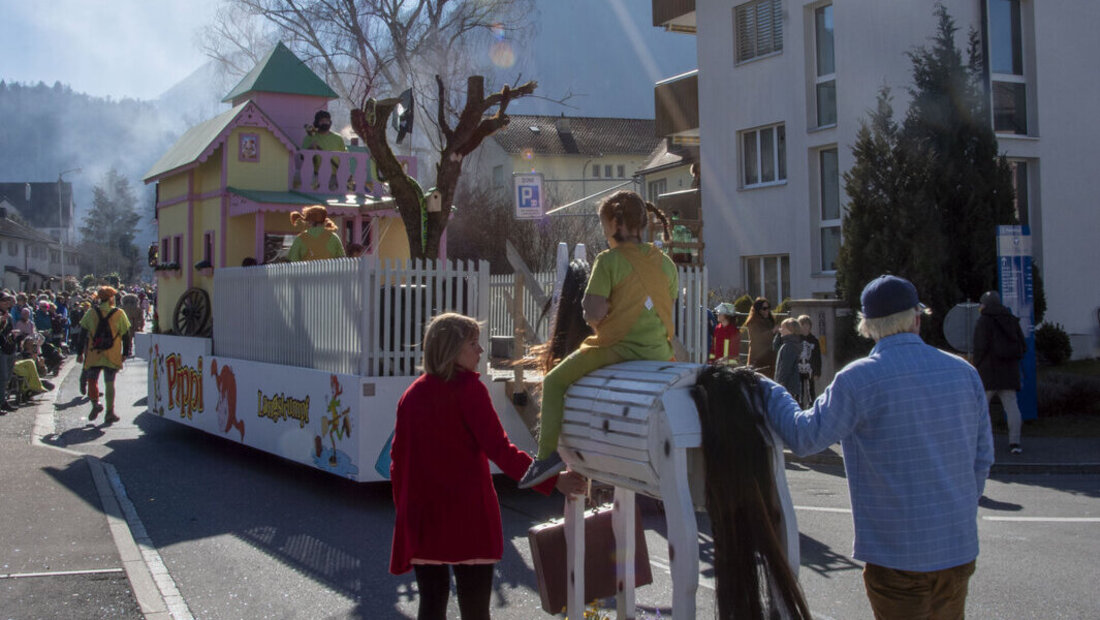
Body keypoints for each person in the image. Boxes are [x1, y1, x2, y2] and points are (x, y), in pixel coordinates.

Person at [764, 275, 993, 619]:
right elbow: (982, 457)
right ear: (917, 317)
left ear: (867, 327)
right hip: (957, 548)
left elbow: (804, 436)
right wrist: (956, 509)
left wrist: (772, 392)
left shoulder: (858, 379)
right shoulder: (963, 373)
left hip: (895, 552)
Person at [389, 313, 585, 620]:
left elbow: (398, 463)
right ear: (452, 349)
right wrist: (552, 480)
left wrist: (405, 513)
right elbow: (500, 450)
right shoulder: (469, 390)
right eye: (473, 343)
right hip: (468, 519)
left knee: (430, 607)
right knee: (476, 611)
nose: (481, 351)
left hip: (422, 520)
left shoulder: (411, 395)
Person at [520, 190, 677, 487]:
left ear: (616, 224)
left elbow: (592, 313)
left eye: (603, 224)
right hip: (658, 353)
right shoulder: (666, 264)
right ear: (642, 224)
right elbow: (665, 309)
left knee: (553, 381)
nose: (603, 232)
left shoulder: (608, 261)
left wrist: (597, 314)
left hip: (618, 350)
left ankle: (546, 456)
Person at [973, 290, 1027, 455]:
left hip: (988, 372)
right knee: (1012, 407)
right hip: (1009, 372)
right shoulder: (1011, 320)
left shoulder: (984, 321)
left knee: (981, 408)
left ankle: (979, 442)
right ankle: (1015, 442)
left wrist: (977, 365)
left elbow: (980, 347)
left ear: (985, 305)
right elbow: (1022, 346)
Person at [80, 286, 131, 424]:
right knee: (109, 383)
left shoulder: (91, 313)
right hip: (112, 353)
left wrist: (80, 353)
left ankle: (95, 403)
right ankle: (109, 412)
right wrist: (126, 352)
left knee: (92, 380)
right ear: (111, 298)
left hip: (94, 353)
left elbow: (82, 334)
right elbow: (126, 335)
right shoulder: (119, 313)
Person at [744, 297, 777, 378]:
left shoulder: (770, 321)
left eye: (768, 308)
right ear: (758, 309)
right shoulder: (753, 323)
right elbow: (758, 338)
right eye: (764, 308)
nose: (767, 311)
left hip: (769, 358)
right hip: (758, 358)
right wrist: (772, 332)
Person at [773, 317, 803, 400]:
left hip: (788, 387)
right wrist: (779, 335)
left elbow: (785, 367)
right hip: (791, 386)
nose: (780, 329)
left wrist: (780, 384)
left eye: (782, 328)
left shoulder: (788, 346)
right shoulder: (792, 343)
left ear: (790, 330)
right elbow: (775, 347)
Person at [797, 315, 823, 408]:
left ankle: (811, 406)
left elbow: (817, 357)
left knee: (810, 390)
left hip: (809, 369)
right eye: (802, 325)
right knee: (799, 390)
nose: (805, 327)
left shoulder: (814, 340)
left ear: (810, 326)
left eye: (807, 325)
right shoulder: (796, 339)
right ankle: (799, 406)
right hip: (798, 368)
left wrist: (817, 372)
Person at [0, 294, 20, 412]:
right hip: (2, 349)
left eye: (8, 300)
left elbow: (10, 331)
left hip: (10, 348)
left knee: (7, 377)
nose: (7, 303)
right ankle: (2, 402)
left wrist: (14, 334)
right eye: (4, 300)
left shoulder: (10, 316)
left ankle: (3, 401)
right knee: (2, 377)